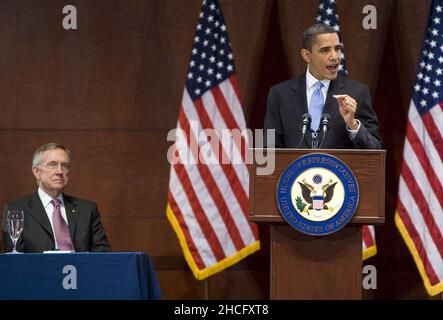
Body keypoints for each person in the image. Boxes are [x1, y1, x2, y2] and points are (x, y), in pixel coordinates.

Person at [264, 23, 381, 149]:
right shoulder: (280, 94)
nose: (335, 57)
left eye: (337, 48)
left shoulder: (357, 92)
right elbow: (268, 148)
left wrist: (353, 125)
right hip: (295, 169)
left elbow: (375, 149)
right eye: (325, 50)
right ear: (306, 55)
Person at [2, 142, 111, 253]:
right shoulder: (17, 210)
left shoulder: (87, 209)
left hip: (82, 269)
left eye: (64, 166)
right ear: (37, 172)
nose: (59, 171)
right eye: (52, 164)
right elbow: (15, 259)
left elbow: (103, 253)